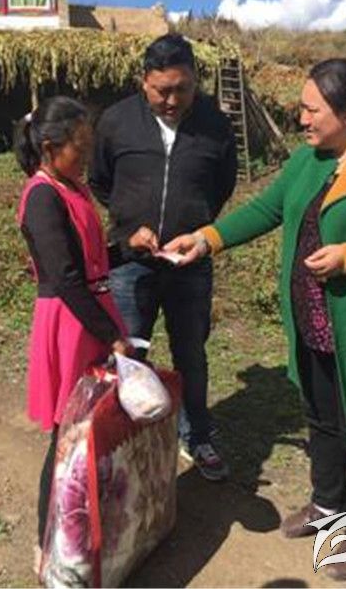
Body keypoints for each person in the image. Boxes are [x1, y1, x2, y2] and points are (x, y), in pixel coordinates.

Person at [166, 58, 346, 580]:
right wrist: (206, 239)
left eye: (312, 110)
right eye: (302, 108)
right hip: (313, 323)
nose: (302, 119)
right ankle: (327, 504)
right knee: (321, 419)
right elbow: (266, 210)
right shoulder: (308, 161)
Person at [89, 33, 238, 481]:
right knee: (129, 351)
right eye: (162, 91)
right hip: (130, 263)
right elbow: (100, 180)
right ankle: (125, 438)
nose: (172, 100)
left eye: (183, 89)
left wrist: (196, 228)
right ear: (144, 82)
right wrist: (127, 227)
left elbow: (223, 184)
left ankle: (197, 434)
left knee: (191, 351)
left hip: (190, 263)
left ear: (195, 81)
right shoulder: (116, 121)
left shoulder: (215, 124)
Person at [14, 96, 134, 551]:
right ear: (49, 147)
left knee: (92, 428)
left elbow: (91, 262)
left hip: (91, 312)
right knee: (67, 433)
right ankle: (48, 543)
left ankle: (87, 526)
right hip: (70, 323)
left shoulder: (73, 188)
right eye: (79, 150)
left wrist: (132, 247)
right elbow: (65, 278)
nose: (86, 159)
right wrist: (112, 336)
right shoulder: (42, 196)